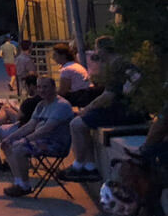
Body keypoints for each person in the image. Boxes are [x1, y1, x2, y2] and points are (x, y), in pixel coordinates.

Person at [58, 37, 147, 182]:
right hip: (132, 108)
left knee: (77, 124)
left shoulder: (116, 65)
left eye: (97, 49)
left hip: (124, 111)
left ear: (103, 50)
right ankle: (89, 167)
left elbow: (108, 96)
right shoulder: (121, 62)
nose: (95, 52)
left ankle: (79, 166)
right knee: (82, 122)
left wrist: (87, 108)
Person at [0, 77, 75, 197]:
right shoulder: (41, 105)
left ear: (53, 88)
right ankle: (19, 182)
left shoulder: (61, 105)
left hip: (56, 144)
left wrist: (24, 140)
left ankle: (25, 186)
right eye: (39, 87)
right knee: (7, 145)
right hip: (42, 141)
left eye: (45, 87)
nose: (41, 90)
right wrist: (10, 138)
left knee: (19, 148)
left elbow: (46, 129)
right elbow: (30, 126)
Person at [0, 75, 40, 169]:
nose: (26, 89)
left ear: (32, 86)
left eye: (26, 87)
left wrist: (14, 108)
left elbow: (20, 117)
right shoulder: (46, 100)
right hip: (37, 129)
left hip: (26, 129)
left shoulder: (30, 101)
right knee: (6, 111)